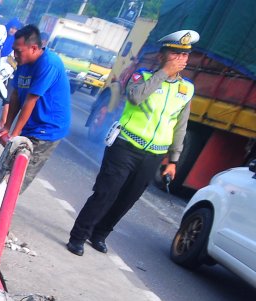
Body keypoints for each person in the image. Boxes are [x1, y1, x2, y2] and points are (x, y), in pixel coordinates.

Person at [66, 30, 200, 255]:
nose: (181, 59)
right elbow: (136, 97)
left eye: (185, 55)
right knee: (105, 193)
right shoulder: (142, 77)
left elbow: (180, 126)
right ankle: (78, 235)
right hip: (125, 146)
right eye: (175, 54)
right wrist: (163, 74)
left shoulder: (186, 90)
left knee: (127, 199)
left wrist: (173, 160)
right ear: (162, 56)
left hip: (154, 155)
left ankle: (100, 234)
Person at [0, 24, 71, 192]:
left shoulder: (49, 63)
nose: (15, 55)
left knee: (18, 175)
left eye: (19, 51)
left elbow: (31, 100)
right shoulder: (23, 61)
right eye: (14, 50)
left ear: (34, 48)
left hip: (47, 128)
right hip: (30, 123)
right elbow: (16, 94)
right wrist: (7, 126)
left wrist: (14, 135)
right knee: (6, 165)